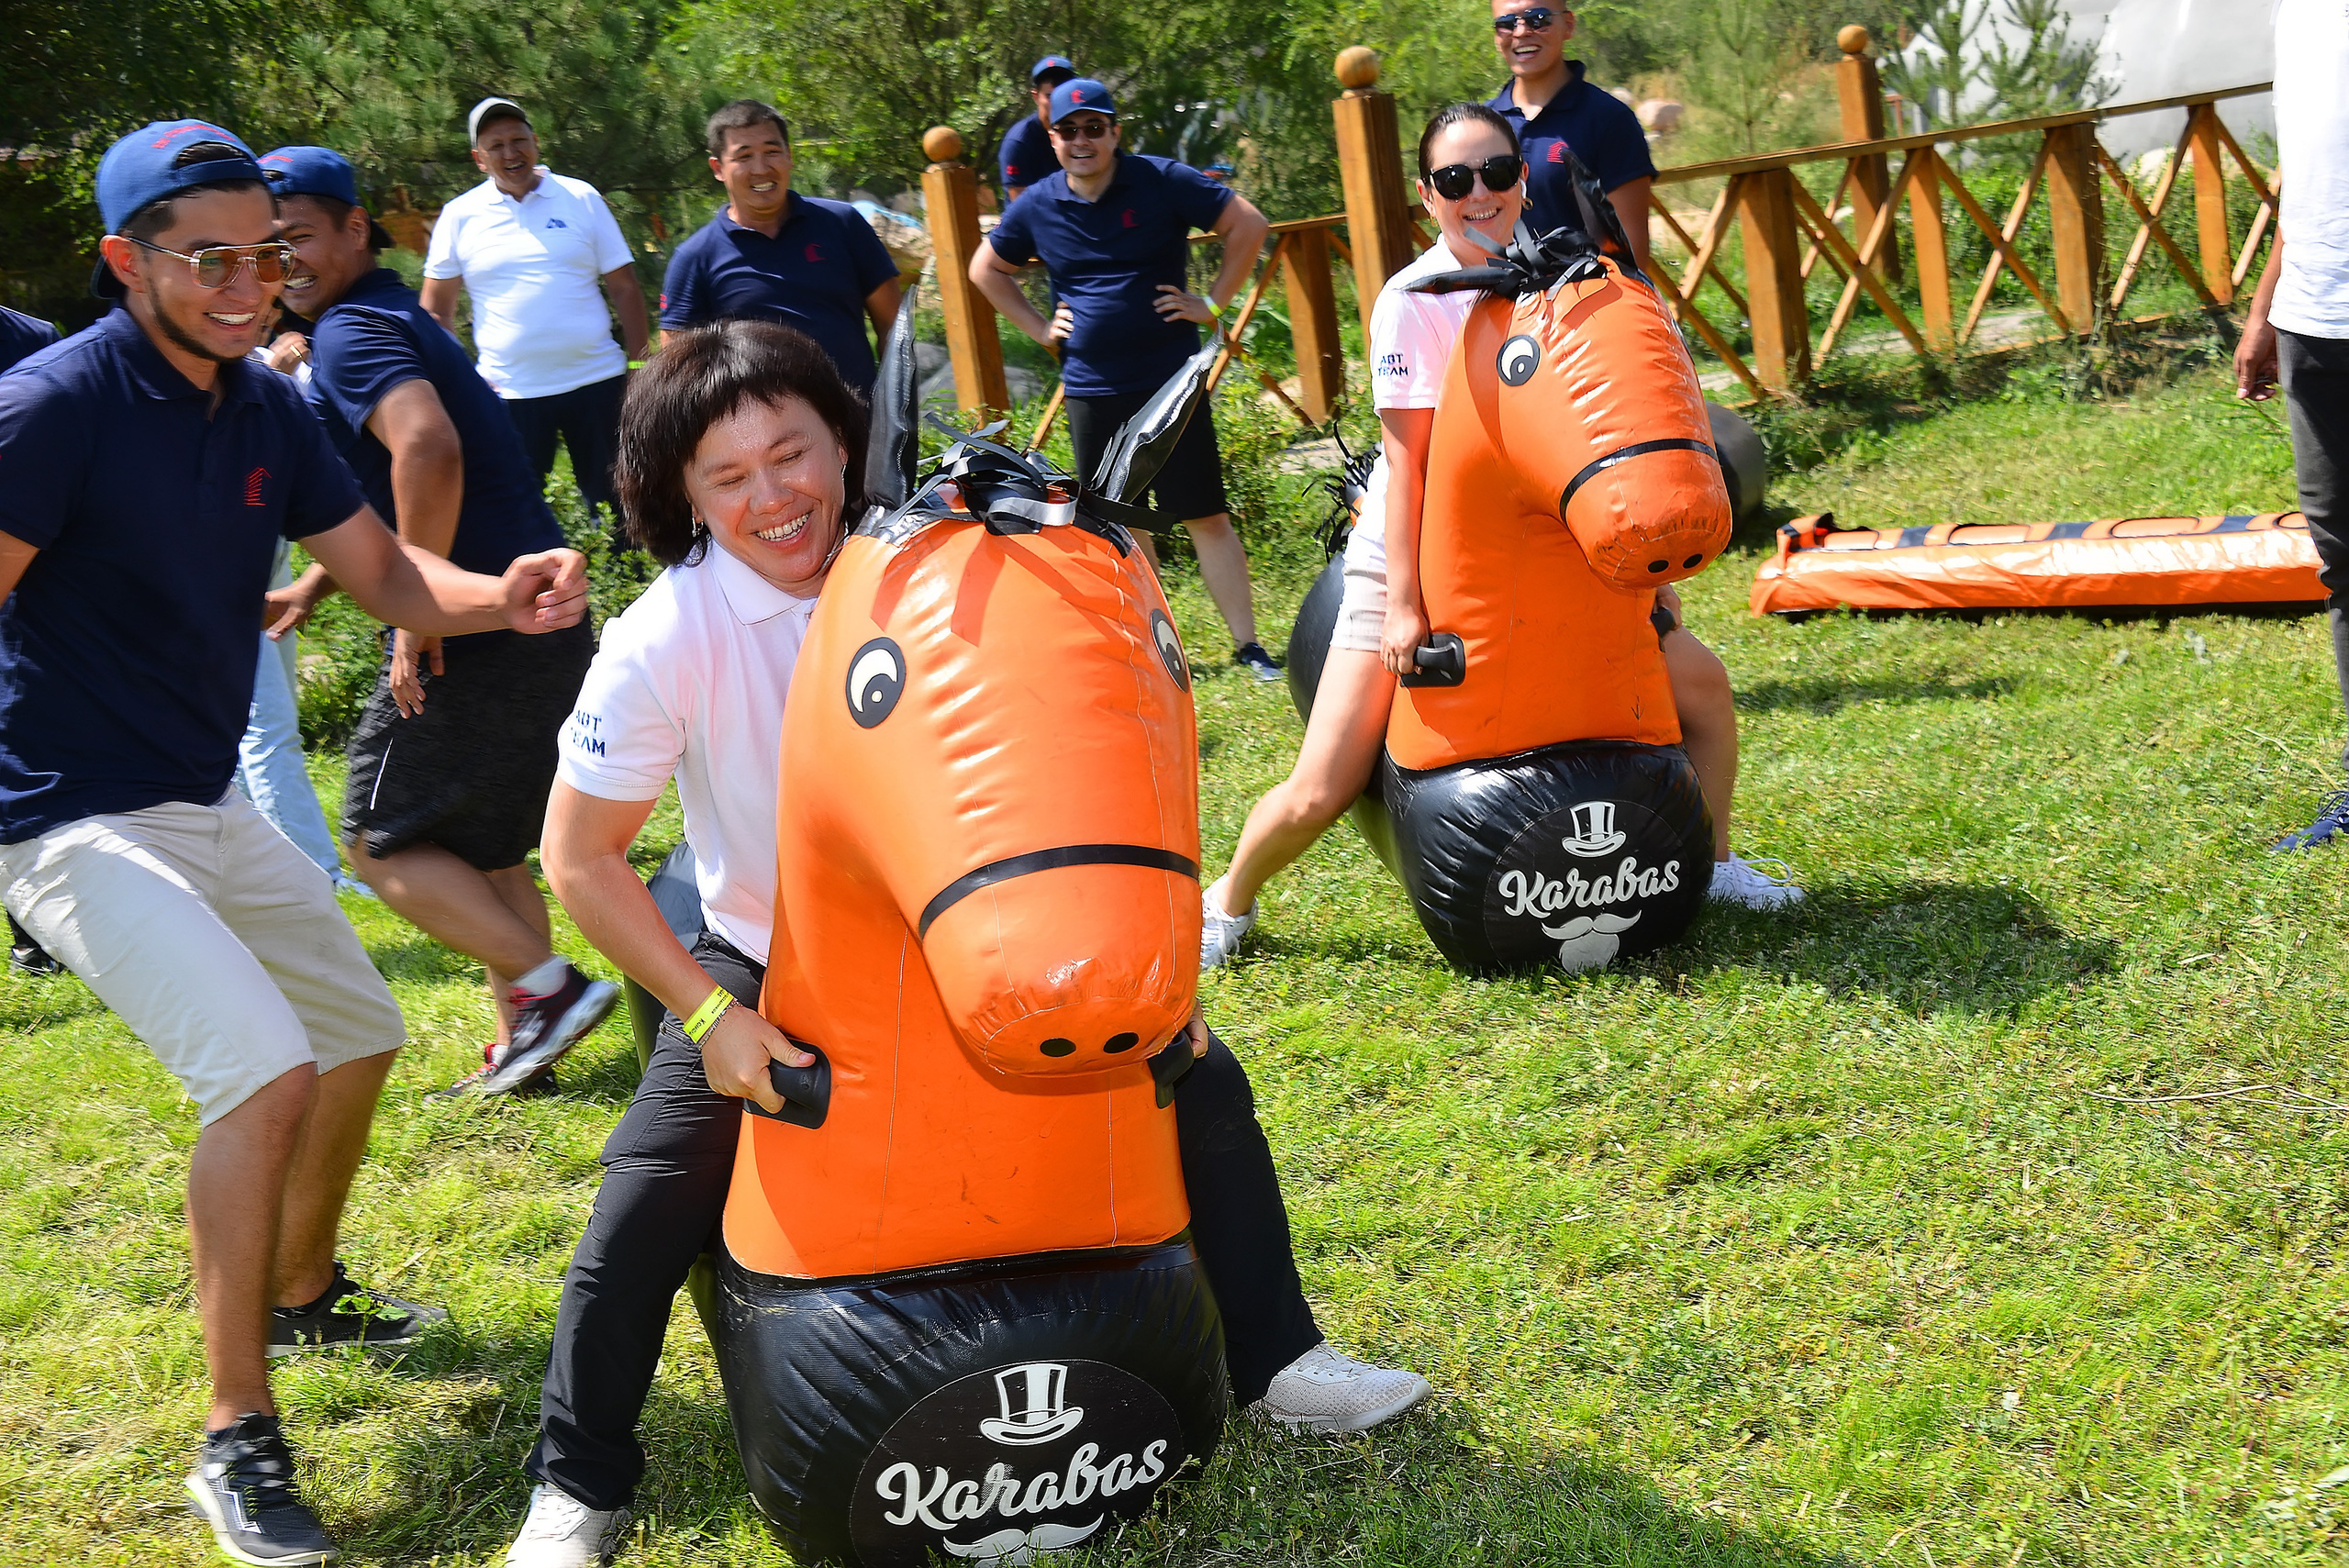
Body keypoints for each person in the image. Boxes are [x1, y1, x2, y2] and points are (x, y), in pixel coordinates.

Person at [499, 319, 1430, 1568]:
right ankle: (581, 1478)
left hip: (977, 935)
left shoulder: (933, 568)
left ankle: (1280, 1357)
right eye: (731, 475)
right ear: (683, 496)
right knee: (647, 1196)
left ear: (848, 442)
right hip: (766, 945)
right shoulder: (671, 635)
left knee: (1200, 1079)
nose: (776, 496)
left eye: (795, 453)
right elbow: (577, 857)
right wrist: (710, 1015)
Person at [0, 119, 589, 1568]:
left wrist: (498, 596)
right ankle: (232, 1434)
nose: (247, 281)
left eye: (265, 253)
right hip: (61, 814)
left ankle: (303, 1285)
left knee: (358, 1026)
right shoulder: (49, 407)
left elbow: (385, 569)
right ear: (125, 260)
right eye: (210, 257)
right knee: (258, 1065)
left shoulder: (263, 408)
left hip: (201, 803)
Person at [1198, 105, 1799, 971]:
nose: (1478, 194)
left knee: (1702, 689)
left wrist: (1639, 574)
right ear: (1427, 195)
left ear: (1522, 177)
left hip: (1555, 552)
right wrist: (1405, 602)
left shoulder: (1563, 280)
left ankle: (1719, 862)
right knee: (1325, 781)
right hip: (1416, 547)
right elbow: (1408, 468)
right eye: (1454, 180)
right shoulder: (1413, 301)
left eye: (1495, 173)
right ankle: (1230, 901)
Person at [264, 145, 618, 1096]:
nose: (283, 256)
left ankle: (547, 992)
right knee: (488, 844)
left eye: (299, 233)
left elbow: (428, 448)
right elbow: (392, 492)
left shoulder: (348, 333)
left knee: (377, 838)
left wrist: (416, 620)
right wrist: (316, 586)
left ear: (353, 229)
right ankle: (529, 1049)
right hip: (540, 614)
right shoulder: (391, 319)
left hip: (476, 622)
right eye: (268, 241)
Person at [970, 77, 1284, 682]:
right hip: (1092, 386)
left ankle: (1249, 648)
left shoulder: (1160, 179)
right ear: (1052, 138)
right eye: (1069, 130)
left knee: (1205, 514)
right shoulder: (1036, 203)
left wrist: (1214, 304)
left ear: (1115, 131)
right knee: (1127, 522)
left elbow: (1248, 224)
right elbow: (986, 268)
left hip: (1170, 381)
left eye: (1095, 127)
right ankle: (1159, 651)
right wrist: (1039, 327)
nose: (1082, 140)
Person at [416, 98, 651, 531]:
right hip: (511, 394)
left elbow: (625, 287)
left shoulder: (581, 197)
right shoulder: (459, 216)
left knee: (621, 508)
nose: (511, 154)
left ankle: (630, 594)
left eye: (519, 140)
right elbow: (434, 314)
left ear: (536, 143)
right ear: (478, 159)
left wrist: (640, 365)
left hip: (597, 382)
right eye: (496, 145)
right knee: (516, 515)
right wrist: (459, 384)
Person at [2241, 0, 2349, 849]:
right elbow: (2308, 172)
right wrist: (2267, 307)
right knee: (2344, 562)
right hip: (2317, 322)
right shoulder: (2298, 14)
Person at [656, 100, 902, 396]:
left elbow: (894, 327)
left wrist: (896, 412)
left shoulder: (843, 224)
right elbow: (677, 368)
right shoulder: (695, 258)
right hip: (763, 438)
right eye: (744, 157)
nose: (761, 169)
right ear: (718, 168)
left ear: (789, 156)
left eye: (772, 152)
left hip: (861, 425)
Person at [1486, 3, 1656, 274]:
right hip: (1500, 308)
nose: (1521, 32)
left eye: (1537, 19)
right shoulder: (1482, 126)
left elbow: (1631, 256)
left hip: (1588, 307)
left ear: (1568, 25)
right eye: (1506, 23)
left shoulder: (1610, 120)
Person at [999, 54, 1077, 201]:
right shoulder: (1019, 141)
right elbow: (1021, 206)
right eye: (1049, 96)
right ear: (1036, 97)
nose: (1057, 102)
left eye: (1063, 95)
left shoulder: (1080, 132)